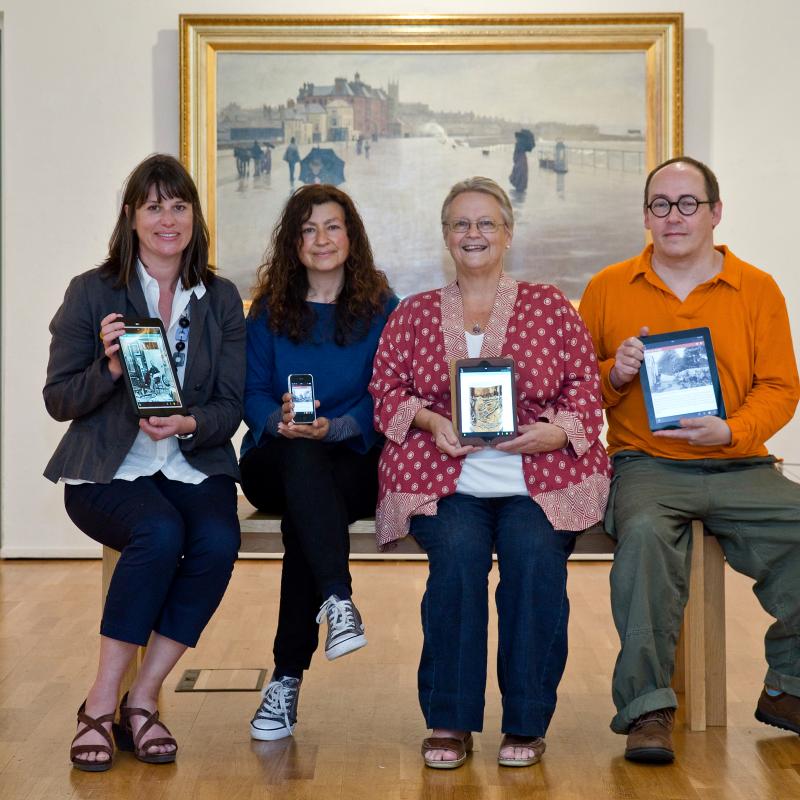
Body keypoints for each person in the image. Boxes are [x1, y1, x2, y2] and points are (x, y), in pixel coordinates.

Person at [370, 177, 610, 769]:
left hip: (541, 481)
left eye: (485, 223)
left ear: (508, 233)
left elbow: (586, 385)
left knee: (533, 563)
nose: (473, 234)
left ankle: (526, 721)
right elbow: (384, 391)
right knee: (456, 562)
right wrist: (429, 419)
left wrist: (557, 430)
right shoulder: (415, 313)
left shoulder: (550, 305)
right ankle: (449, 720)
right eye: (460, 224)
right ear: (446, 235)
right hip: (445, 481)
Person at [579, 156, 800, 764]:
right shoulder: (606, 288)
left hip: (743, 464)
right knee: (646, 538)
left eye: (687, 204)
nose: (672, 217)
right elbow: (572, 391)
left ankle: (791, 685)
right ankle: (649, 709)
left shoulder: (757, 288)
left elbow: (782, 386)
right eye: (659, 205)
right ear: (646, 215)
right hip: (646, 465)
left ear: (715, 213)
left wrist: (733, 429)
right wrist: (613, 374)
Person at [44, 154, 246, 771]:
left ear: (194, 217)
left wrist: (189, 422)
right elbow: (58, 400)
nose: (168, 219)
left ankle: (145, 695)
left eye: (179, 206)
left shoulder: (220, 297)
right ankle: (101, 704)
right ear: (131, 217)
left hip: (192, 461)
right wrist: (108, 368)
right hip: (108, 470)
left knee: (216, 539)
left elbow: (231, 404)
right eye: (154, 206)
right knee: (157, 531)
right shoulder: (92, 290)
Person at [240, 184, 398, 741]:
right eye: (308, 230)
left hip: (353, 459)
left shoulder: (383, 310)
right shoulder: (269, 311)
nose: (321, 239)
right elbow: (251, 390)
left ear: (350, 237)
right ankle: (337, 597)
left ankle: (286, 679)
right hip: (273, 458)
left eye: (332, 227)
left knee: (307, 518)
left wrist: (338, 427)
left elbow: (389, 393)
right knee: (302, 461)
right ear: (294, 242)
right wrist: (276, 421)